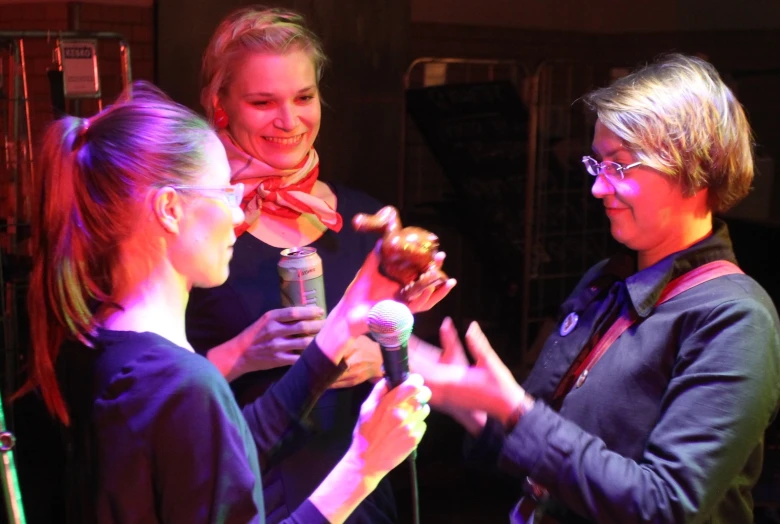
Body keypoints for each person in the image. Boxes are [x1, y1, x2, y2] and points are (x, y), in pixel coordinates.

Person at [24, 80, 449, 523]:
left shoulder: (100, 342)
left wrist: (341, 322)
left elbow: (223, 457)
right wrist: (364, 467)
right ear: (169, 208)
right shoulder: (183, 383)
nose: (239, 214)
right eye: (226, 194)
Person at [418, 53, 780, 523]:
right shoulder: (605, 279)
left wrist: (513, 410)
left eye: (621, 167)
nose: (597, 188)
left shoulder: (735, 318)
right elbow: (543, 448)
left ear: (694, 169)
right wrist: (466, 401)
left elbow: (666, 506)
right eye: (597, 163)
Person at [186, 6, 455, 522]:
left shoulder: (360, 218)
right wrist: (241, 353)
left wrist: (388, 353)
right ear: (220, 106)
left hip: (363, 493)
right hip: (252, 498)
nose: (289, 121)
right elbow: (146, 396)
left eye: (304, 98)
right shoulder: (197, 231)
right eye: (263, 101)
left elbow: (416, 376)